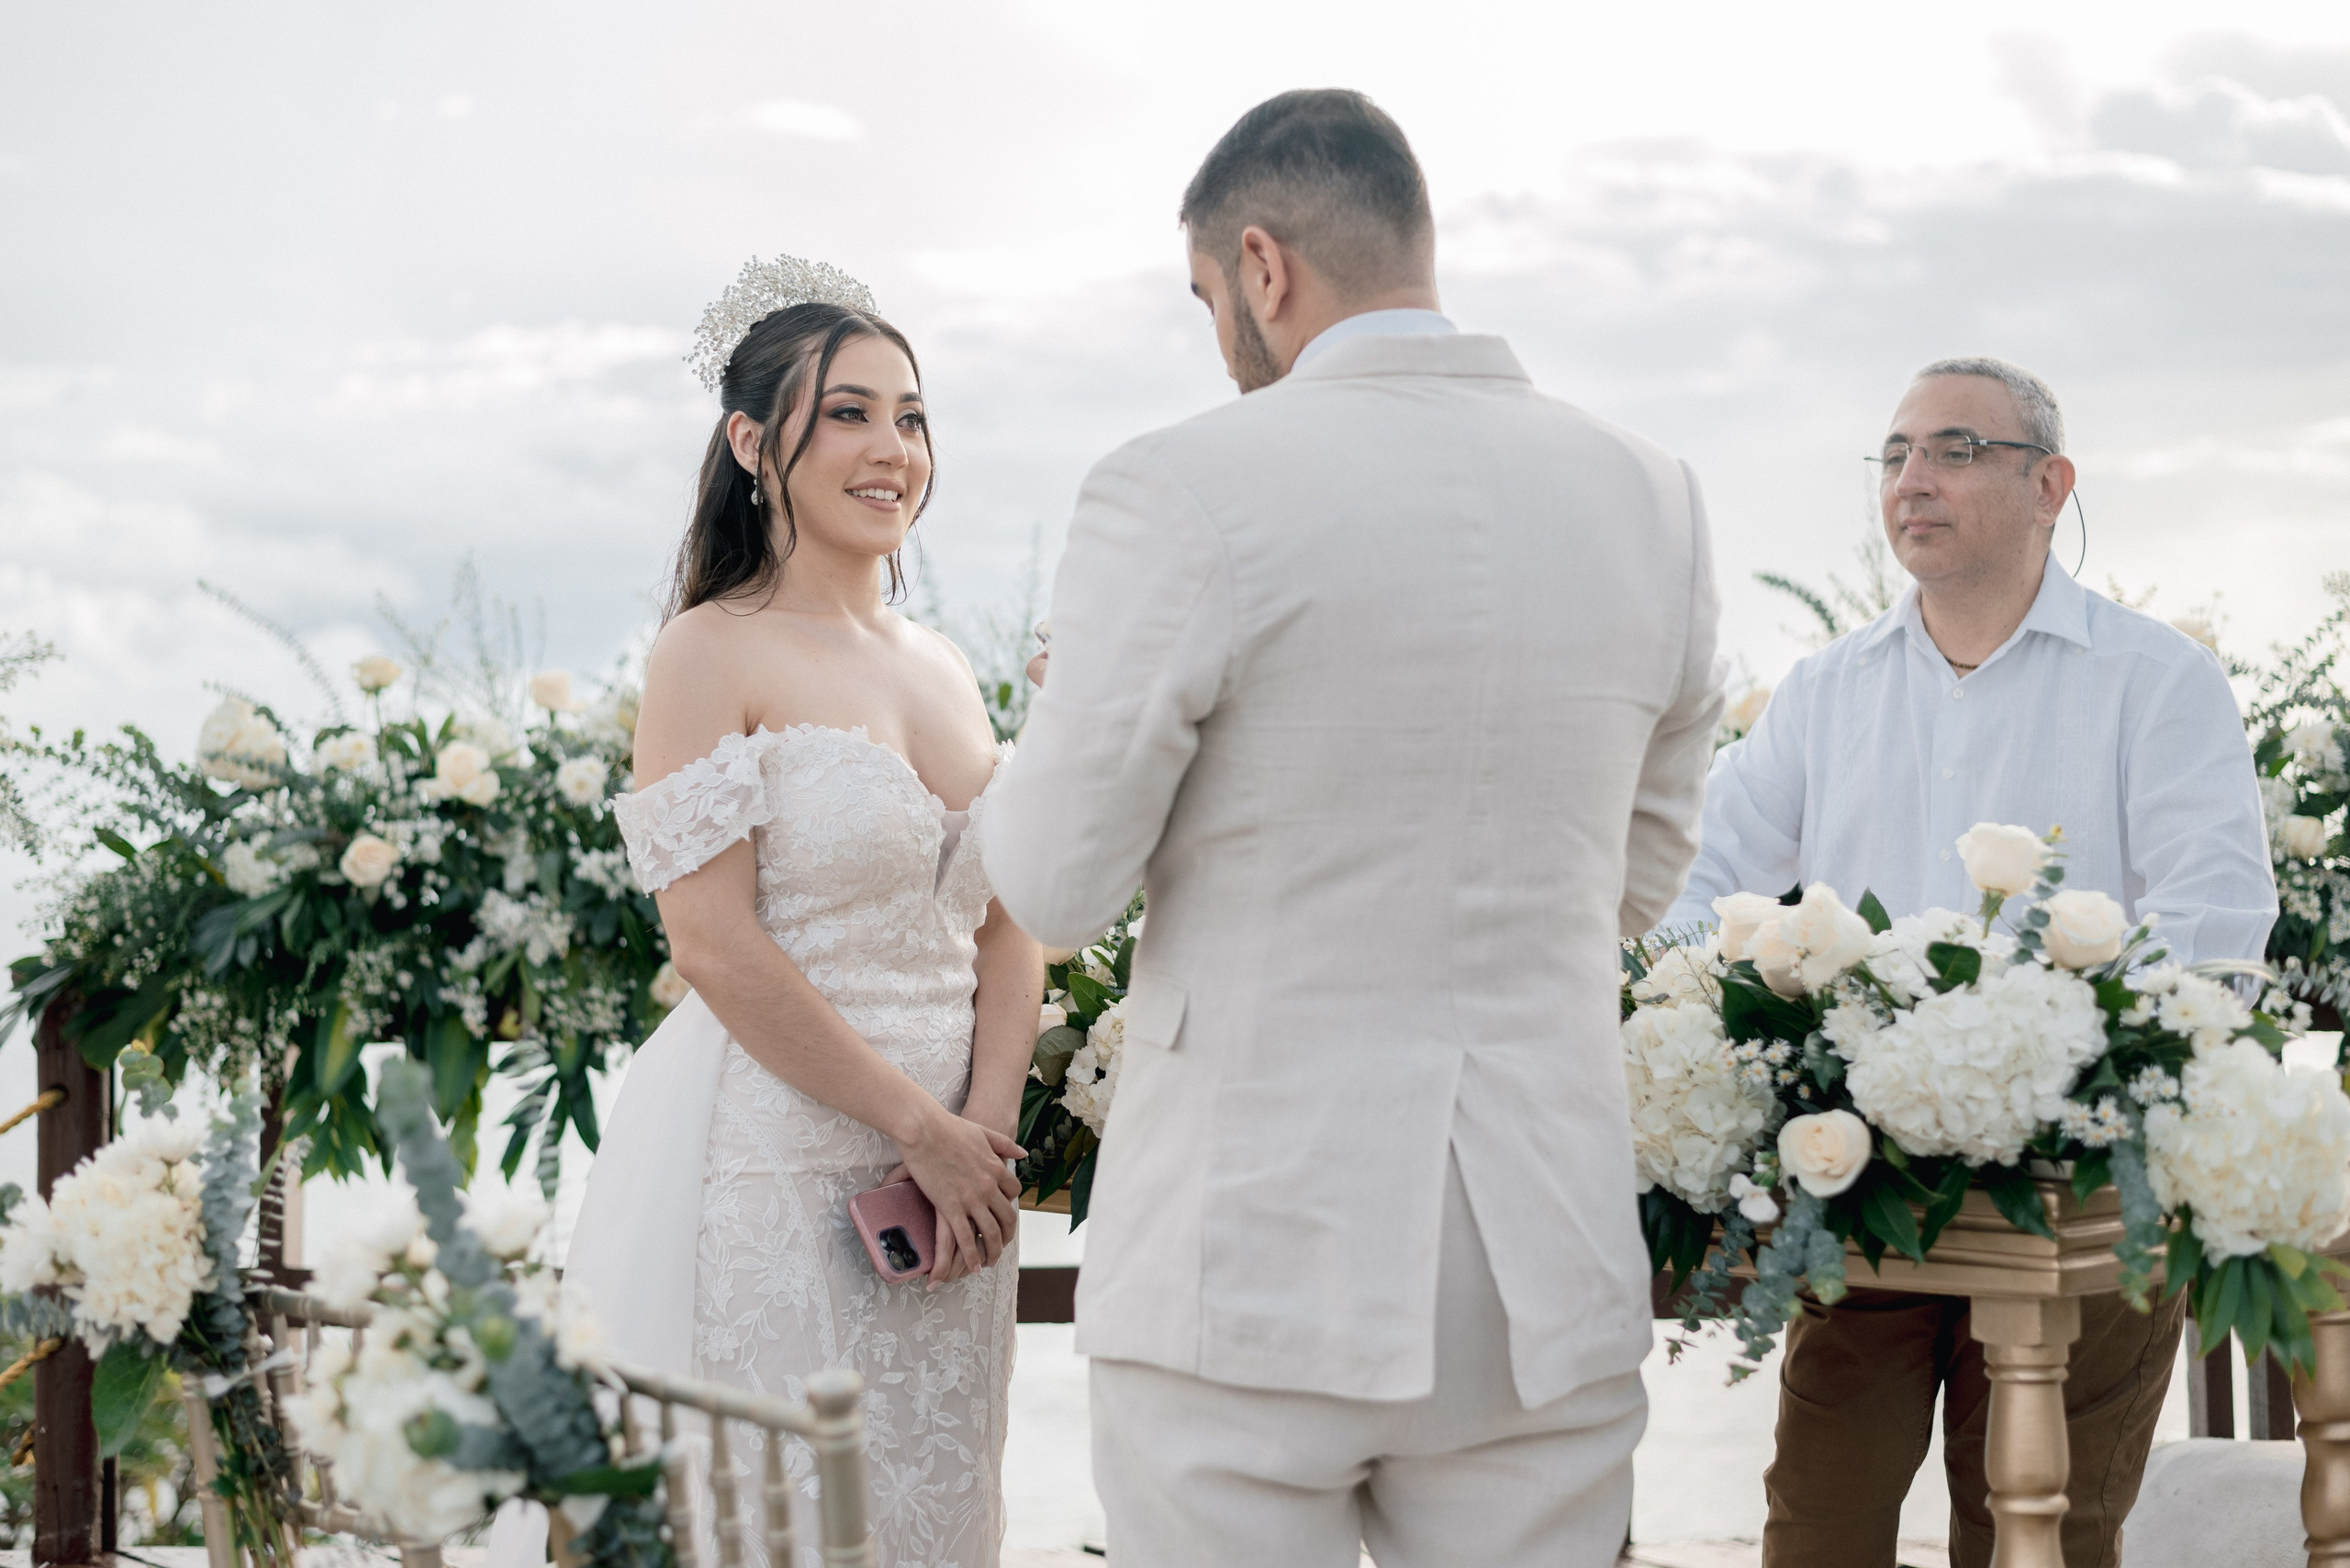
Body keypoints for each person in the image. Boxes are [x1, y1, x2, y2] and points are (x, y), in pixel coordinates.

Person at [984, 90, 1723, 1568]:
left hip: (1247, 1258)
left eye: (1209, 297)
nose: (1219, 339)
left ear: (1263, 266)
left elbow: (1055, 879)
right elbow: (1637, 885)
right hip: (1539, 1270)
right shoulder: (1655, 496)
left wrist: (1056, 721)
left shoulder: (1180, 486)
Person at [1664, 356, 2277, 1568]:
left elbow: (2213, 937)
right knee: (1816, 1532)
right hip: (1871, 1197)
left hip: (2087, 1203)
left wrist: (2045, 1075)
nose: (1912, 480)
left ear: (2049, 484)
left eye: (1953, 450)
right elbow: (1707, 902)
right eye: (1894, 456)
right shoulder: (1823, 694)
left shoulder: (2156, 681)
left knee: (2038, 1536)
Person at [531, 263, 1042, 1568]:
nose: (893, 450)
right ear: (755, 442)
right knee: (784, 1523)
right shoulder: (708, 651)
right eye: (853, 414)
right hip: (782, 1167)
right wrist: (912, 1123)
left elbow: (1010, 917)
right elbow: (709, 940)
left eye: (914, 417)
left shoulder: (946, 670)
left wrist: (980, 1130)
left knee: (933, 1510)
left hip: (951, 1205)